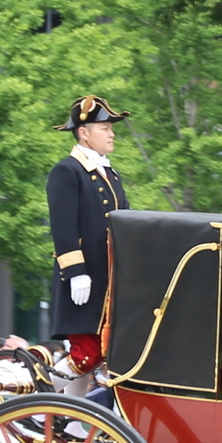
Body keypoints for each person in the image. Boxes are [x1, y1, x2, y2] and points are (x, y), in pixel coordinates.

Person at [47, 95, 131, 395]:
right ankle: (34, 400)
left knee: (94, 356)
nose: (112, 134)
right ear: (84, 132)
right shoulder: (67, 171)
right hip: (83, 279)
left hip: (106, 280)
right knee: (87, 353)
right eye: (105, 127)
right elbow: (63, 227)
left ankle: (73, 422)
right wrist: (76, 272)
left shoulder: (110, 173)